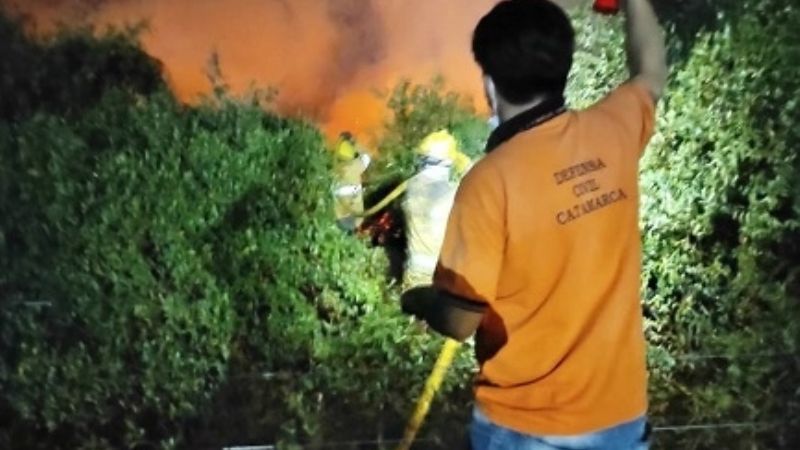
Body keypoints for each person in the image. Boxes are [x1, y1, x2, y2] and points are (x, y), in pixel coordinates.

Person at [400, 0, 667, 449]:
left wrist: (417, 298)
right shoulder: (613, 130)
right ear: (563, 67)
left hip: (525, 427)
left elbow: (461, 319)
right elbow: (652, 70)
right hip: (620, 418)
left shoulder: (489, 181)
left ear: (489, 83)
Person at [401, 130, 472, 289]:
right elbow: (477, 181)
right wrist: (463, 163)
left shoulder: (412, 188)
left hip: (413, 275)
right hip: (438, 279)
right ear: (447, 163)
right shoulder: (449, 194)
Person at [332, 132, 372, 232]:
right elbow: (366, 157)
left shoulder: (333, 171)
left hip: (339, 219)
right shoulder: (354, 167)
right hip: (355, 219)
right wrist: (354, 143)